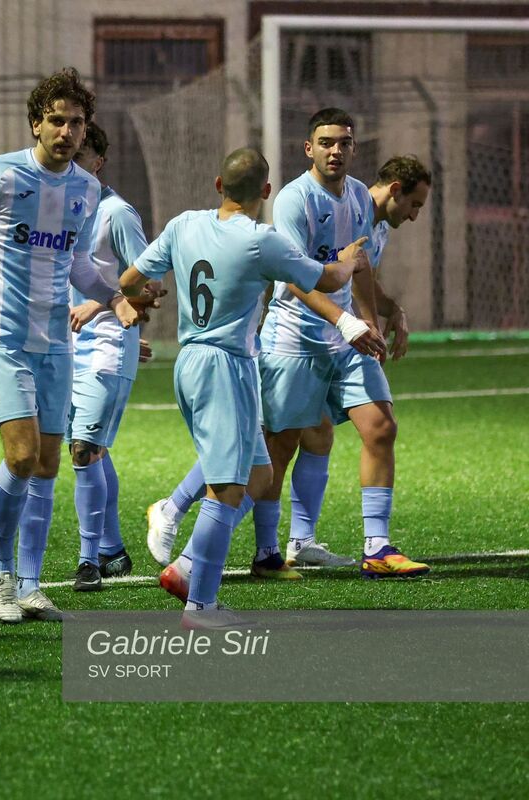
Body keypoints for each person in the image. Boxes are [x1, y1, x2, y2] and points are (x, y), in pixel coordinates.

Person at [145, 155, 430, 584]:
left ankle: (354, 545)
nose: (415, 214)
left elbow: (359, 275)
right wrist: (347, 317)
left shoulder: (359, 204)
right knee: (265, 448)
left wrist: (378, 317)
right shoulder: (295, 201)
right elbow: (303, 277)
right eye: (415, 204)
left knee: (362, 429)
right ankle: (192, 531)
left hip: (339, 342)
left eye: (346, 142)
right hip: (288, 342)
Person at [0, 68, 136, 624]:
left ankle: (32, 585)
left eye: (76, 123)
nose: (66, 131)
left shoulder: (87, 190)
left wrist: (115, 297)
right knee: (20, 455)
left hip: (57, 342)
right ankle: (0, 573)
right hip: (1, 336)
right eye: (56, 120)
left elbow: (78, 265)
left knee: (46, 464)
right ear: (36, 123)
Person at [119, 147, 370, 627]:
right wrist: (348, 260)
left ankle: (188, 568)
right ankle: (201, 605)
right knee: (227, 490)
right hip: (225, 367)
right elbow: (327, 278)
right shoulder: (261, 241)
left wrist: (140, 298)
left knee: (257, 476)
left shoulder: (183, 224)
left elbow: (130, 279)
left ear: (218, 185)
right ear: (267, 192)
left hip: (190, 362)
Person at [64, 121, 161, 591]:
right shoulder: (60, 208)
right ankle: (112, 550)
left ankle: (88, 561)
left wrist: (101, 307)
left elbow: (151, 285)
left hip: (104, 345)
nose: (69, 164)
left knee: (84, 450)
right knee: (90, 450)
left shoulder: (116, 213)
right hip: (65, 348)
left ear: (98, 162)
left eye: (79, 157)